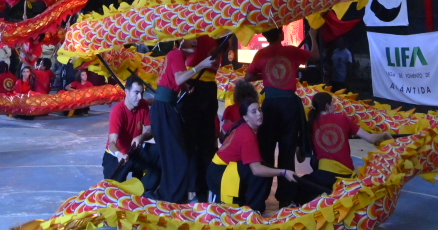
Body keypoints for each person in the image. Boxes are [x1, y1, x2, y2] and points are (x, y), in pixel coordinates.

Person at [245, 28, 313, 206]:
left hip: (270, 105)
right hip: (289, 105)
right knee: (287, 150)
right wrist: (313, 35)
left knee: (266, 150)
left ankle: (260, 196)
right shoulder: (292, 51)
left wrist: (266, 75)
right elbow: (317, 57)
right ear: (281, 35)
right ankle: (285, 198)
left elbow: (248, 77)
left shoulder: (261, 54)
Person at [295, 92, 395, 198]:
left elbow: (300, 158)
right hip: (346, 176)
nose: (335, 107)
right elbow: (371, 139)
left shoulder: (310, 124)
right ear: (328, 106)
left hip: (323, 176)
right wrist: (384, 134)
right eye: (333, 104)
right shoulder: (343, 118)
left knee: (302, 183)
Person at [151, 39, 215, 204]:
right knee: (178, 156)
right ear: (180, 42)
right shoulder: (177, 53)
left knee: (176, 155)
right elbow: (178, 78)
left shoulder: (175, 55)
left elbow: (175, 80)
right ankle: (172, 196)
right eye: (190, 39)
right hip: (164, 108)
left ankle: (169, 194)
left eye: (196, 40)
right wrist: (201, 65)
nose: (195, 41)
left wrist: (185, 85)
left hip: (166, 106)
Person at [208, 99, 298, 213]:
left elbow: (226, 127)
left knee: (263, 166)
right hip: (219, 175)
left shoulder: (244, 127)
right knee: (261, 172)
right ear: (245, 118)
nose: (259, 114)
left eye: (260, 110)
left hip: (218, 171)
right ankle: (253, 210)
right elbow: (256, 170)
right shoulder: (247, 134)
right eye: (253, 112)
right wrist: (283, 172)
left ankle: (249, 206)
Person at [103, 78, 159, 193]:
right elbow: (112, 142)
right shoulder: (118, 111)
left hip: (134, 152)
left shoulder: (142, 104)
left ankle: (144, 193)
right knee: (112, 191)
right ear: (127, 92)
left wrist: (141, 137)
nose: (139, 97)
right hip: (117, 156)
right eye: (136, 93)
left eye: (142, 93)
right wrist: (119, 154)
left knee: (157, 163)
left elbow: (150, 130)